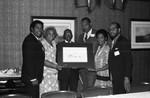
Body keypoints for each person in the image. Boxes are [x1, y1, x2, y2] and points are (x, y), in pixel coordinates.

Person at [21, 20, 45, 98]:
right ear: (32, 29)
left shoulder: (35, 40)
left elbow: (37, 60)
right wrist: (33, 78)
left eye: (41, 28)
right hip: (31, 79)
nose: (40, 30)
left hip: (34, 77)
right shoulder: (30, 40)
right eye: (37, 28)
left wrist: (39, 75)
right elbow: (29, 61)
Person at [108, 22, 133, 94]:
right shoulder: (114, 41)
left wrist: (127, 78)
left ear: (119, 30)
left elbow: (129, 61)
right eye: (109, 29)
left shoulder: (123, 41)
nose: (111, 31)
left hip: (122, 78)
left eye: (113, 29)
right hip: (115, 77)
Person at [40, 26, 63, 96]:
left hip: (54, 74)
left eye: (53, 34)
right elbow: (42, 60)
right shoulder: (41, 44)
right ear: (45, 34)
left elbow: (62, 38)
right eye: (49, 33)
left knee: (55, 95)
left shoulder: (54, 44)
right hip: (46, 75)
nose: (51, 35)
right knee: (47, 95)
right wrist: (55, 66)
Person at [78, 17, 97, 89]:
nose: (84, 27)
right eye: (82, 25)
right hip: (82, 68)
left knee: (91, 89)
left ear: (90, 24)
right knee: (85, 88)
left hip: (92, 67)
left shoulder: (97, 34)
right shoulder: (80, 37)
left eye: (86, 25)